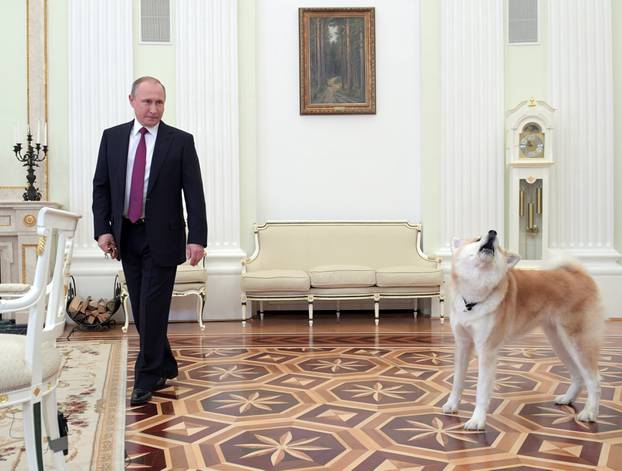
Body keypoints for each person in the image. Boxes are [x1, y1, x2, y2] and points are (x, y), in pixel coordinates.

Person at [92, 76, 207, 406]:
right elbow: (101, 187)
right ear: (131, 100)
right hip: (127, 235)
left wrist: (197, 238)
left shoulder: (180, 141)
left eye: (159, 102)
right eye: (147, 102)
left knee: (153, 307)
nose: (153, 109)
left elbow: (194, 194)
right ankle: (165, 364)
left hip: (165, 237)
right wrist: (103, 229)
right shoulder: (112, 138)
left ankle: (144, 377)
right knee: (143, 310)